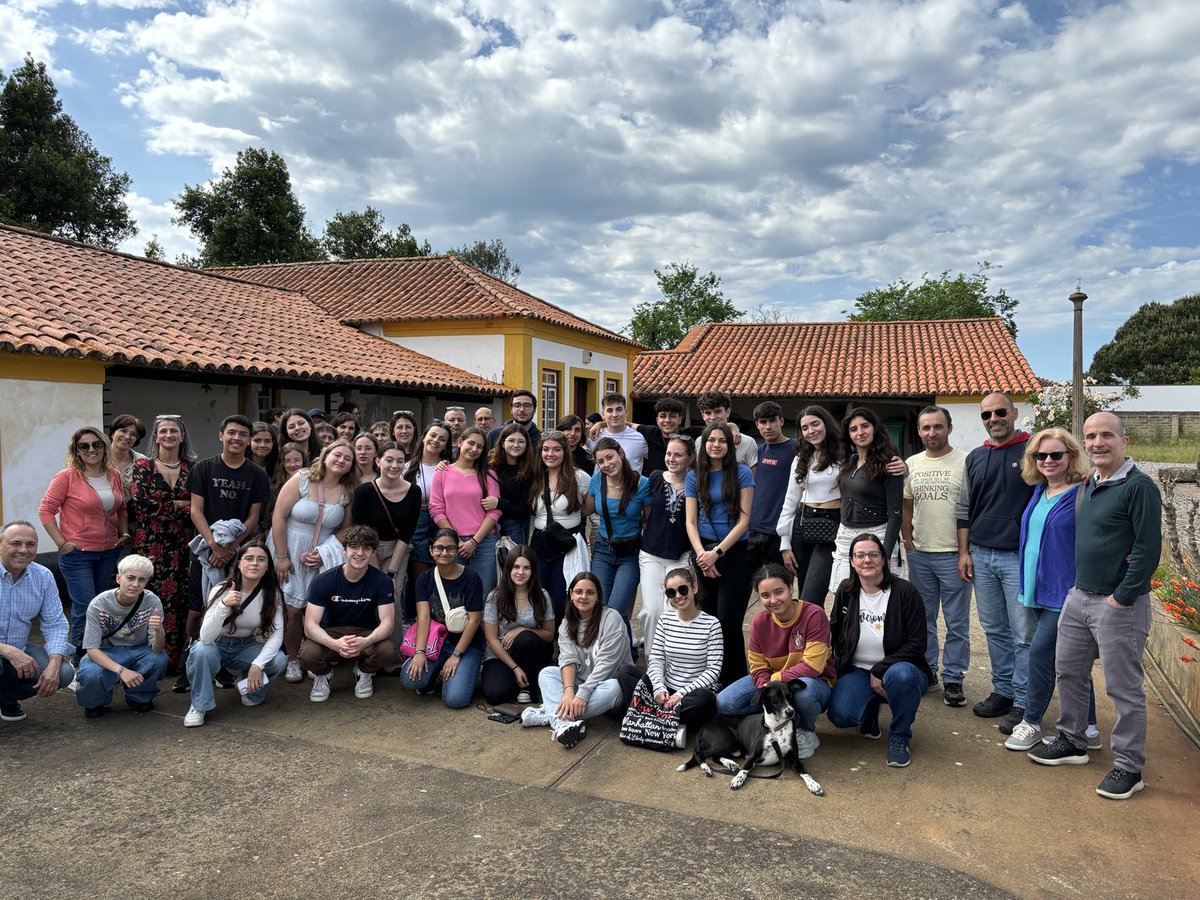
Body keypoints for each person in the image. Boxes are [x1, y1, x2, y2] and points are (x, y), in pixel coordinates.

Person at [1028, 413, 1162, 800]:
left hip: (1119, 604)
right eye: (1090, 436)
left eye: (1106, 435)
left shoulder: (1139, 488)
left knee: (1123, 688)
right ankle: (1072, 741)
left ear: (1125, 440)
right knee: (1068, 671)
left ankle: (1128, 766)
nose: (1098, 442)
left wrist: (1121, 596)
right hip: (1079, 596)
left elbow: (1147, 550)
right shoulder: (1090, 485)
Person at [1004, 428, 1099, 751]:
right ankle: (1088, 726)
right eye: (1040, 455)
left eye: (1056, 454)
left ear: (1071, 456)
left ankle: (1030, 722)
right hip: (1034, 590)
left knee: (1040, 655)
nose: (1047, 460)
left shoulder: (1083, 493)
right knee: (1073, 662)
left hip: (1064, 594)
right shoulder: (1040, 491)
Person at [955, 392, 1035, 730]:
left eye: (1000, 412)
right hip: (982, 554)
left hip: (1018, 556)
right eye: (986, 415)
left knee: (1023, 633)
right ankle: (1002, 690)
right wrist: (964, 552)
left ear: (1014, 412)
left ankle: (1024, 700)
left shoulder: (1034, 451)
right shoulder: (975, 457)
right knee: (994, 629)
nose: (993, 419)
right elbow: (963, 509)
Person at [177, 415, 272, 692]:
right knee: (197, 609)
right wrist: (214, 545)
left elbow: (254, 518)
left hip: (239, 552)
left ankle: (220, 667)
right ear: (221, 435)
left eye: (243, 434)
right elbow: (195, 510)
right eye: (231, 433)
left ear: (248, 440)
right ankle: (189, 662)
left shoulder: (257, 474)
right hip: (205, 549)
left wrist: (231, 548)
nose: (237, 438)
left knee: (230, 608)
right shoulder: (203, 469)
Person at [827, 533, 934, 768]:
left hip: (900, 669)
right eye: (860, 555)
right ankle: (870, 710)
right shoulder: (846, 591)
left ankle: (899, 736)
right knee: (840, 715)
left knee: (901, 677)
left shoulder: (905, 592)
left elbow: (917, 644)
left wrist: (880, 669)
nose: (867, 560)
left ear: (884, 559)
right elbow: (834, 632)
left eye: (873, 554)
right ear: (852, 562)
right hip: (858, 669)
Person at [715, 563, 832, 757]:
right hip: (772, 682)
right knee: (725, 703)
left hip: (813, 682)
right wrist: (767, 688)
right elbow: (757, 666)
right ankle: (771, 724)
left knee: (805, 690)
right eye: (765, 595)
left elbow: (813, 666)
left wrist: (774, 683)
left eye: (779, 592)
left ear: (791, 588)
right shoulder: (759, 621)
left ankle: (805, 730)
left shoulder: (813, 614)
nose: (773, 600)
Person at [521, 571, 639, 749]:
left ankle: (553, 715)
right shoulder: (567, 623)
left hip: (609, 684)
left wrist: (582, 694)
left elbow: (607, 665)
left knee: (614, 688)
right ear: (571, 595)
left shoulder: (611, 618)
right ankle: (562, 722)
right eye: (578, 592)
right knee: (547, 673)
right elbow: (568, 660)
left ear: (598, 596)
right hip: (581, 683)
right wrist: (569, 692)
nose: (584, 596)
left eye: (590, 592)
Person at [271, 439, 356, 683]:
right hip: (289, 546)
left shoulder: (348, 491)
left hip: (322, 553)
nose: (341, 460)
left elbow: (345, 529)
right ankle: (292, 660)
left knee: (315, 608)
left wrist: (323, 552)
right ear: (326, 456)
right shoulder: (303, 478)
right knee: (293, 610)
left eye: (347, 458)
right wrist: (282, 557)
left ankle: (311, 657)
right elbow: (278, 516)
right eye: (337, 455)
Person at [901, 406, 970, 707]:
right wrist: (908, 542)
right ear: (918, 431)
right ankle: (928, 671)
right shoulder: (911, 463)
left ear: (949, 428)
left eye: (938, 427)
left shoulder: (966, 461)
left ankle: (953, 678)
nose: (932, 433)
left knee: (957, 621)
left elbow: (971, 508)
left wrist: (965, 551)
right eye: (926, 428)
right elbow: (906, 505)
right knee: (923, 619)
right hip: (921, 553)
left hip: (953, 554)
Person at [39, 426, 128, 652]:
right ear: (76, 450)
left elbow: (122, 509)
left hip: (108, 552)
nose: (91, 449)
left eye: (97, 444)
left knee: (101, 604)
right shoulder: (67, 476)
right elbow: (46, 511)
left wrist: (124, 533)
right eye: (84, 446)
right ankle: (79, 659)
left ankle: (98, 654)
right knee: (86, 606)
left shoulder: (113, 474)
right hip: (78, 554)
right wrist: (62, 543)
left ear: (104, 447)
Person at [183, 541, 286, 726]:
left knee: (278, 660)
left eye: (261, 559)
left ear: (267, 566)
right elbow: (206, 637)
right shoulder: (222, 589)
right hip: (217, 644)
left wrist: (257, 665)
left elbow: (278, 633)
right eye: (249, 558)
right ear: (239, 563)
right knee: (200, 651)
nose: (255, 563)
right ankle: (199, 705)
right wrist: (224, 606)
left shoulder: (272, 593)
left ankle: (248, 688)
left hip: (245, 645)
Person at [686, 422, 754, 687]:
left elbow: (744, 521)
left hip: (733, 550)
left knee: (728, 620)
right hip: (703, 550)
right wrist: (702, 554)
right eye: (711, 440)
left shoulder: (743, 473)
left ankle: (736, 681)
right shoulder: (694, 475)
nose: (716, 445)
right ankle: (711, 678)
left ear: (730, 444)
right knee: (709, 618)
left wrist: (717, 552)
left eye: (721, 440)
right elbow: (690, 521)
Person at [300, 526, 397, 703]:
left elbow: (388, 623)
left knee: (388, 650)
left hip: (364, 633)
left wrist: (366, 642)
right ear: (344, 550)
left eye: (366, 548)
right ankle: (323, 675)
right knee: (307, 653)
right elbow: (310, 625)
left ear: (373, 552)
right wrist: (334, 644)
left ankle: (364, 671)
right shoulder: (324, 580)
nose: (360, 553)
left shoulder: (382, 581)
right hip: (331, 633)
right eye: (354, 547)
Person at [128, 414, 195, 672]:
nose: (168, 435)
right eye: (163, 431)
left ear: (182, 436)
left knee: (180, 599)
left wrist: (168, 507)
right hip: (150, 544)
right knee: (148, 598)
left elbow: (199, 506)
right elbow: (141, 506)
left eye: (174, 431)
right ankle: (148, 657)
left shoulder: (192, 468)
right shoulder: (143, 467)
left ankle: (176, 660)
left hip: (183, 543)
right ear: (156, 437)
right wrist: (180, 505)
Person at [74, 554, 168, 718]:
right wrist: (122, 671)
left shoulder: (152, 601)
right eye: (130, 578)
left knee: (158, 659)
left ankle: (139, 696)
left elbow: (157, 648)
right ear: (118, 578)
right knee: (91, 673)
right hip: (107, 651)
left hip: (139, 649)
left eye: (142, 580)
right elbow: (92, 649)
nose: (135, 584)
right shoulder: (99, 604)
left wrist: (159, 630)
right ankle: (95, 701)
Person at [400, 527, 485, 708]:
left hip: (467, 645)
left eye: (450, 548)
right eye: (439, 548)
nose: (444, 553)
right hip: (437, 642)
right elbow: (423, 617)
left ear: (457, 550)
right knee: (410, 678)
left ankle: (451, 673)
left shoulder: (471, 577)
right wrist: (420, 652)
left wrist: (456, 655)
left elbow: (475, 620)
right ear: (431, 550)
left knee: (456, 699)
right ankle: (438, 673)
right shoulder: (424, 579)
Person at [0, 521, 75, 722]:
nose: (23, 550)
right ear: (0, 545)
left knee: (64, 673)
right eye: (15, 543)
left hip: (20, 647)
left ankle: (7, 698)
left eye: (31, 544)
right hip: (6, 649)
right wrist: (6, 650)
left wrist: (54, 662)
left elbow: (55, 623)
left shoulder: (43, 576)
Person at [642, 566, 723, 746]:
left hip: (693, 694)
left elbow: (713, 671)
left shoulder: (712, 624)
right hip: (666, 689)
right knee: (626, 675)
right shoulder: (665, 620)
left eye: (683, 589)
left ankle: (655, 719)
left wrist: (680, 694)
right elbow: (656, 659)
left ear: (694, 588)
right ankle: (673, 722)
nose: (678, 596)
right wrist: (658, 688)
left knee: (706, 701)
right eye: (671, 592)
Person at [830, 407, 903, 591]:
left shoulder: (889, 463)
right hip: (846, 534)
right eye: (853, 429)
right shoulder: (849, 461)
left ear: (875, 428)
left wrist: (884, 554)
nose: (860, 432)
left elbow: (896, 514)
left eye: (865, 426)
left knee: (879, 594)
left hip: (877, 534)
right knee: (843, 592)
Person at [588, 437, 652, 644]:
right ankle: (622, 654)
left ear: (621, 454)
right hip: (602, 550)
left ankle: (627, 656)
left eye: (610, 457)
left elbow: (650, 520)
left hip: (630, 553)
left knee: (615, 608)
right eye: (601, 461)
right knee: (600, 606)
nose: (607, 464)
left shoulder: (642, 484)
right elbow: (585, 509)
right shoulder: (597, 480)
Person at [778, 407, 843, 608]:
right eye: (805, 428)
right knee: (805, 591)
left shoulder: (845, 454)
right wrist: (784, 542)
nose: (811, 431)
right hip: (803, 524)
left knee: (811, 595)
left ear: (827, 424)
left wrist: (901, 470)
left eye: (815, 424)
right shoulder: (801, 458)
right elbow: (790, 499)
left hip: (833, 524)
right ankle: (811, 638)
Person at [351, 442, 420, 623]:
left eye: (400, 461)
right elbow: (361, 531)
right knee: (369, 594)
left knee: (392, 596)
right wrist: (374, 567)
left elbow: (407, 533)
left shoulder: (413, 491)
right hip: (366, 549)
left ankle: (393, 647)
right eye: (389, 460)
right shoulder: (363, 492)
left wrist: (390, 573)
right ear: (378, 461)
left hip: (397, 548)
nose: (394, 466)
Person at [637, 434, 694, 651]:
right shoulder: (656, 478)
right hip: (651, 553)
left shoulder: (696, 482)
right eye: (669, 454)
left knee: (673, 608)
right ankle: (653, 663)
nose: (671, 458)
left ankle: (673, 658)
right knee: (652, 611)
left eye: (678, 455)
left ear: (690, 458)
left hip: (681, 555)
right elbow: (647, 511)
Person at [430, 426, 502, 594]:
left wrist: (474, 541)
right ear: (460, 442)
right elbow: (436, 508)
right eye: (471, 443)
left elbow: (494, 511)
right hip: (452, 542)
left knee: (483, 591)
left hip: (484, 541)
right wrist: (455, 540)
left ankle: (481, 621)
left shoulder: (489, 475)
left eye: (480, 446)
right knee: (455, 592)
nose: (474, 449)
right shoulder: (442, 473)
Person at [528, 430, 592, 619]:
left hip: (566, 544)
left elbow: (588, 510)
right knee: (539, 594)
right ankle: (545, 643)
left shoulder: (580, 477)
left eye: (556, 449)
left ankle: (561, 640)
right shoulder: (536, 477)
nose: (550, 454)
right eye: (546, 449)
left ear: (565, 452)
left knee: (559, 597)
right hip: (539, 543)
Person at [481, 545, 555, 704]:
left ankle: (528, 687)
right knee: (495, 695)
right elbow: (491, 639)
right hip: (500, 654)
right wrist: (515, 668)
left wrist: (522, 629)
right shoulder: (495, 596)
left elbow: (549, 634)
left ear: (533, 570)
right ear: (508, 569)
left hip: (531, 651)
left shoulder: (542, 596)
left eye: (526, 568)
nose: (521, 572)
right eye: (516, 567)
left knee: (526, 638)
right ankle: (519, 677)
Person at [745, 401, 795, 575]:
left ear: (781, 421)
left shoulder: (797, 448)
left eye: (772, 420)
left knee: (780, 586)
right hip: (752, 530)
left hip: (779, 532)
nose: (768, 426)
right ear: (757, 425)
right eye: (763, 422)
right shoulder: (758, 451)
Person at [406, 421, 454, 601]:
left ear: (446, 445)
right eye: (432, 435)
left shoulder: (449, 468)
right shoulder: (407, 467)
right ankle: (417, 613)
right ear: (424, 437)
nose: (435, 441)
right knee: (419, 572)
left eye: (442, 439)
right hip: (416, 520)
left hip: (443, 520)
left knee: (443, 569)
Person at [487, 422, 536, 544]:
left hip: (513, 527)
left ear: (526, 445)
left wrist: (499, 503)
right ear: (503, 443)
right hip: (488, 526)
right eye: (511, 440)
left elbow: (524, 510)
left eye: (521, 441)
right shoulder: (490, 466)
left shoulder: (529, 471)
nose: (516, 445)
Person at [694, 390, 757, 471]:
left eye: (717, 412)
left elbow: (753, 478)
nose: (713, 417)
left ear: (727, 412)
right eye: (708, 413)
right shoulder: (699, 441)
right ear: (703, 415)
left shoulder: (747, 442)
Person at [587, 391, 649, 474]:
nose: (614, 414)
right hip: (602, 486)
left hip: (632, 486)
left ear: (626, 412)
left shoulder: (639, 438)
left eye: (619, 409)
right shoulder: (595, 437)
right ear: (603, 414)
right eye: (610, 410)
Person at [107, 414, 147, 495]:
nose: (127, 436)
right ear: (112, 433)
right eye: (123, 431)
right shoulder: (98, 459)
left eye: (133, 434)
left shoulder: (143, 462)